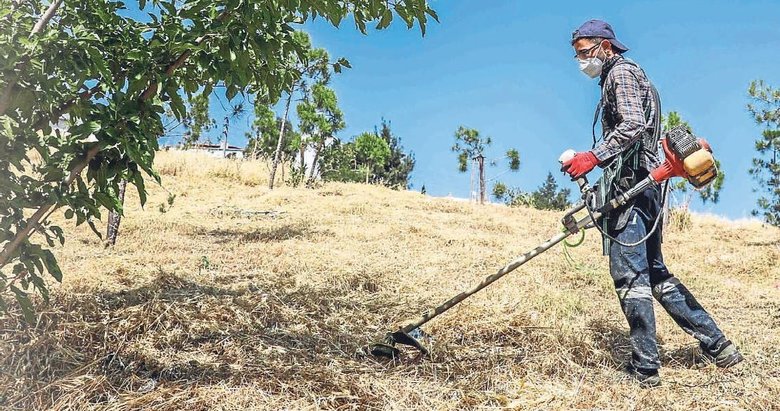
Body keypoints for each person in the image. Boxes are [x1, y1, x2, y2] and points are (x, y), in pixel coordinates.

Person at [561, 19, 743, 387]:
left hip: (635, 189)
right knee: (656, 274)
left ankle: (646, 369)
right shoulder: (624, 75)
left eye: (584, 53)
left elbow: (632, 125)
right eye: (577, 55)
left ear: (605, 47)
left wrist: (592, 156)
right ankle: (719, 346)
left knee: (630, 277)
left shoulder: (621, 74)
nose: (581, 61)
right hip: (646, 186)